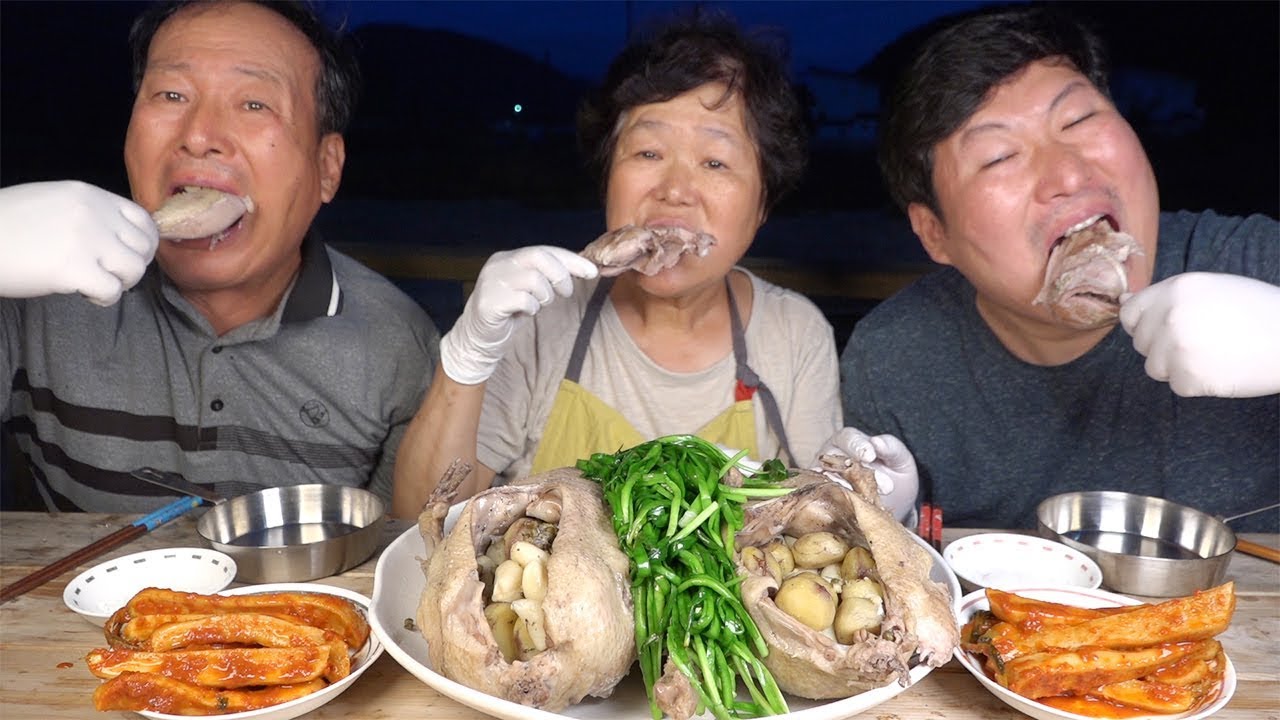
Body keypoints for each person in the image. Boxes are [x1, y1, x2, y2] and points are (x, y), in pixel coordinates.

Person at [839, 4, 1280, 531]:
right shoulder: (894, 360)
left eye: (1079, 120)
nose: (1068, 175)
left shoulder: (1253, 263)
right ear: (934, 232)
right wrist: (886, 524)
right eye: (1000, 157)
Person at [392, 14, 842, 517]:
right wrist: (468, 355)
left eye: (715, 162)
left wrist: (870, 494)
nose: (674, 190)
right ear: (608, 178)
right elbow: (419, 518)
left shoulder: (795, 336)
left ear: (762, 206)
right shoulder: (538, 317)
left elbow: (820, 530)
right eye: (648, 152)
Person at [0, 0, 439, 512]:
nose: (199, 136)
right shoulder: (38, 295)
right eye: (171, 94)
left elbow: (405, 545)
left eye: (254, 104)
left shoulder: (397, 344)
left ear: (326, 167)